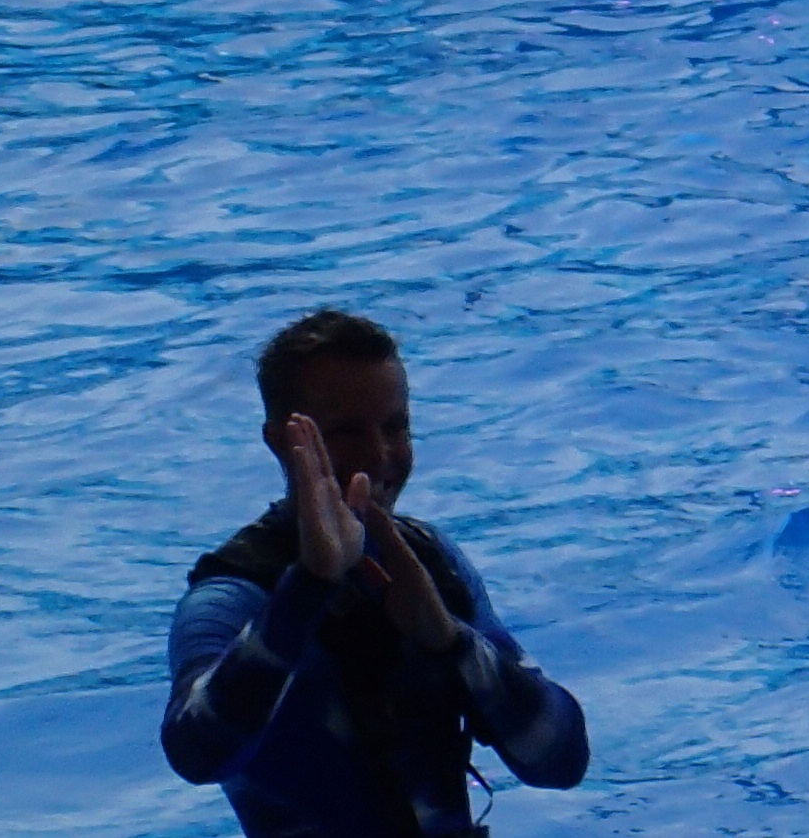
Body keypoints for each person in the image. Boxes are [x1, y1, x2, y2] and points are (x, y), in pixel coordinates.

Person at [163, 309, 590, 837]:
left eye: (394, 427)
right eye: (345, 431)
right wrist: (309, 588)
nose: (378, 454)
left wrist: (452, 642)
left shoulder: (432, 563)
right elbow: (197, 751)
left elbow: (560, 759)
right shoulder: (231, 597)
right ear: (280, 441)